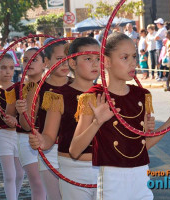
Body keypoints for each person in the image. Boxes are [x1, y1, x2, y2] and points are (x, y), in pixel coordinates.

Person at [69, 32, 170, 200]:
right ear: (107, 62)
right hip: (112, 181)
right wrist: (97, 122)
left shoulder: (142, 95)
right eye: (125, 57)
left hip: (142, 177)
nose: (133, 62)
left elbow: (141, 148)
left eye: (134, 56)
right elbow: (74, 150)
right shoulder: (94, 97)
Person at [29, 37, 100, 200]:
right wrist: (41, 141)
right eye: (88, 58)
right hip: (71, 168)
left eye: (98, 58)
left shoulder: (109, 95)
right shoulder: (58, 97)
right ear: (73, 63)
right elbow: (48, 136)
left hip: (106, 167)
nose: (95, 64)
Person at [17, 38, 71, 200]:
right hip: (50, 152)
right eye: (59, 59)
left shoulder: (79, 85)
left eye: (68, 59)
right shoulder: (38, 89)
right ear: (47, 61)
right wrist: (22, 112)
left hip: (76, 154)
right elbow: (27, 125)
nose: (64, 64)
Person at [5, 48, 46, 200]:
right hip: (26, 140)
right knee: (38, 184)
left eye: (34, 59)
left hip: (51, 142)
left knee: (52, 186)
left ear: (45, 63)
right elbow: (8, 116)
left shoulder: (52, 87)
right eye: (25, 60)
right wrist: (12, 118)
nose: (29, 63)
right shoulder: (16, 89)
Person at [0, 53, 24, 200]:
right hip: (2, 135)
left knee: (20, 174)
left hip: (19, 134)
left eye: (11, 68)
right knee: (10, 175)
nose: (8, 71)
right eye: (3, 68)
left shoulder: (18, 88)